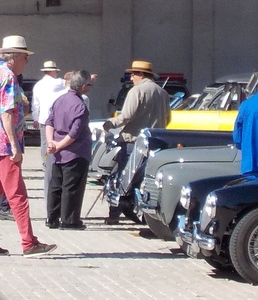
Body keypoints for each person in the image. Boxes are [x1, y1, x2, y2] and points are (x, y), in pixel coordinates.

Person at [0, 35, 56, 256]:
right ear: (16, 57)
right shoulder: (8, 77)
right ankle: (28, 242)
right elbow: (7, 113)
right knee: (17, 195)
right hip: (4, 145)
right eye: (25, 58)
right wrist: (15, 146)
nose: (27, 62)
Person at [102, 60, 171, 224]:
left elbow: (127, 115)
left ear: (141, 75)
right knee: (147, 181)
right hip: (155, 143)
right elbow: (167, 119)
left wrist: (110, 123)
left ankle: (115, 214)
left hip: (134, 142)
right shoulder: (162, 93)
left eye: (133, 74)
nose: (131, 77)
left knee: (122, 178)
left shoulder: (137, 91)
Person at [45, 69, 93, 230]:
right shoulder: (80, 105)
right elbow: (75, 132)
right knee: (72, 187)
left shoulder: (60, 100)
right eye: (89, 85)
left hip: (58, 151)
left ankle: (51, 218)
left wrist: (51, 142)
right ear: (83, 86)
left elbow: (49, 122)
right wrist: (58, 144)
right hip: (75, 151)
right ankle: (69, 220)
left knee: (56, 185)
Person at [31, 60, 66, 200]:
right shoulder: (58, 83)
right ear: (53, 71)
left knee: (44, 142)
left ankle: (45, 162)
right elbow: (68, 83)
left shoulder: (38, 85)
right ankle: (52, 162)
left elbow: (35, 103)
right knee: (54, 140)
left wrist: (35, 117)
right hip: (54, 118)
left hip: (42, 118)